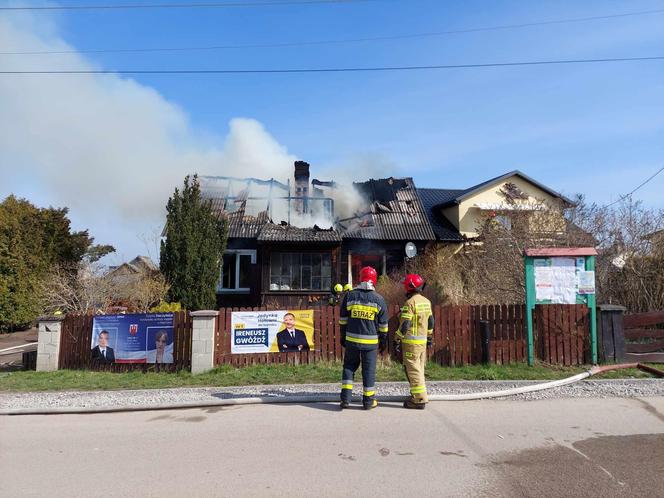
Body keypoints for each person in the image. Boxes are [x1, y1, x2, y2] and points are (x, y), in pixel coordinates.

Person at [339, 266, 388, 410]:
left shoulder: (349, 296)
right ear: (374, 280)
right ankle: (368, 402)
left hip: (351, 341)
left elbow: (342, 319)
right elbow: (383, 326)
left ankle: (345, 399)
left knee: (349, 367)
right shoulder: (379, 300)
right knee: (368, 371)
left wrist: (343, 336)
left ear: (360, 278)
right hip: (370, 344)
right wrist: (383, 342)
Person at [395, 274, 434, 409]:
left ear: (409, 286)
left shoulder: (410, 303)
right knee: (420, 369)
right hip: (422, 342)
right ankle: (417, 394)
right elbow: (430, 322)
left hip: (411, 344)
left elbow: (405, 324)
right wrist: (429, 337)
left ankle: (419, 399)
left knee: (413, 370)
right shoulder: (426, 301)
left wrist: (397, 337)